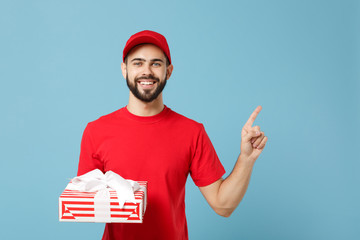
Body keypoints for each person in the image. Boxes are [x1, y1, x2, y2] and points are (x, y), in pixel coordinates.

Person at [77, 30, 268, 240]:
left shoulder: (192, 132)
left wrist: (246, 159)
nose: (146, 71)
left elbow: (223, 206)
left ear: (169, 71)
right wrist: (125, 199)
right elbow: (85, 204)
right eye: (138, 63)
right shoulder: (96, 131)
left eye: (156, 63)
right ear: (124, 70)